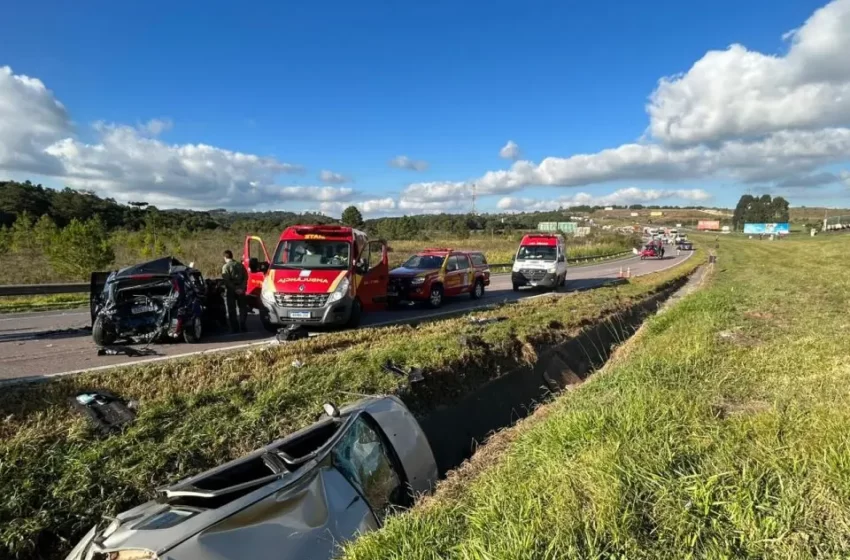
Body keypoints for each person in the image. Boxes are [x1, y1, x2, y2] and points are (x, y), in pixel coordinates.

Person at [222, 250, 248, 333]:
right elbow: (246, 277)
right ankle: (243, 324)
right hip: (241, 289)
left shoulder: (226, 267)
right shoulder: (240, 265)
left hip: (231, 290)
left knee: (231, 309)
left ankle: (235, 327)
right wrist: (242, 288)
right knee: (243, 308)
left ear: (225, 257)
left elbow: (226, 280)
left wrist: (234, 289)